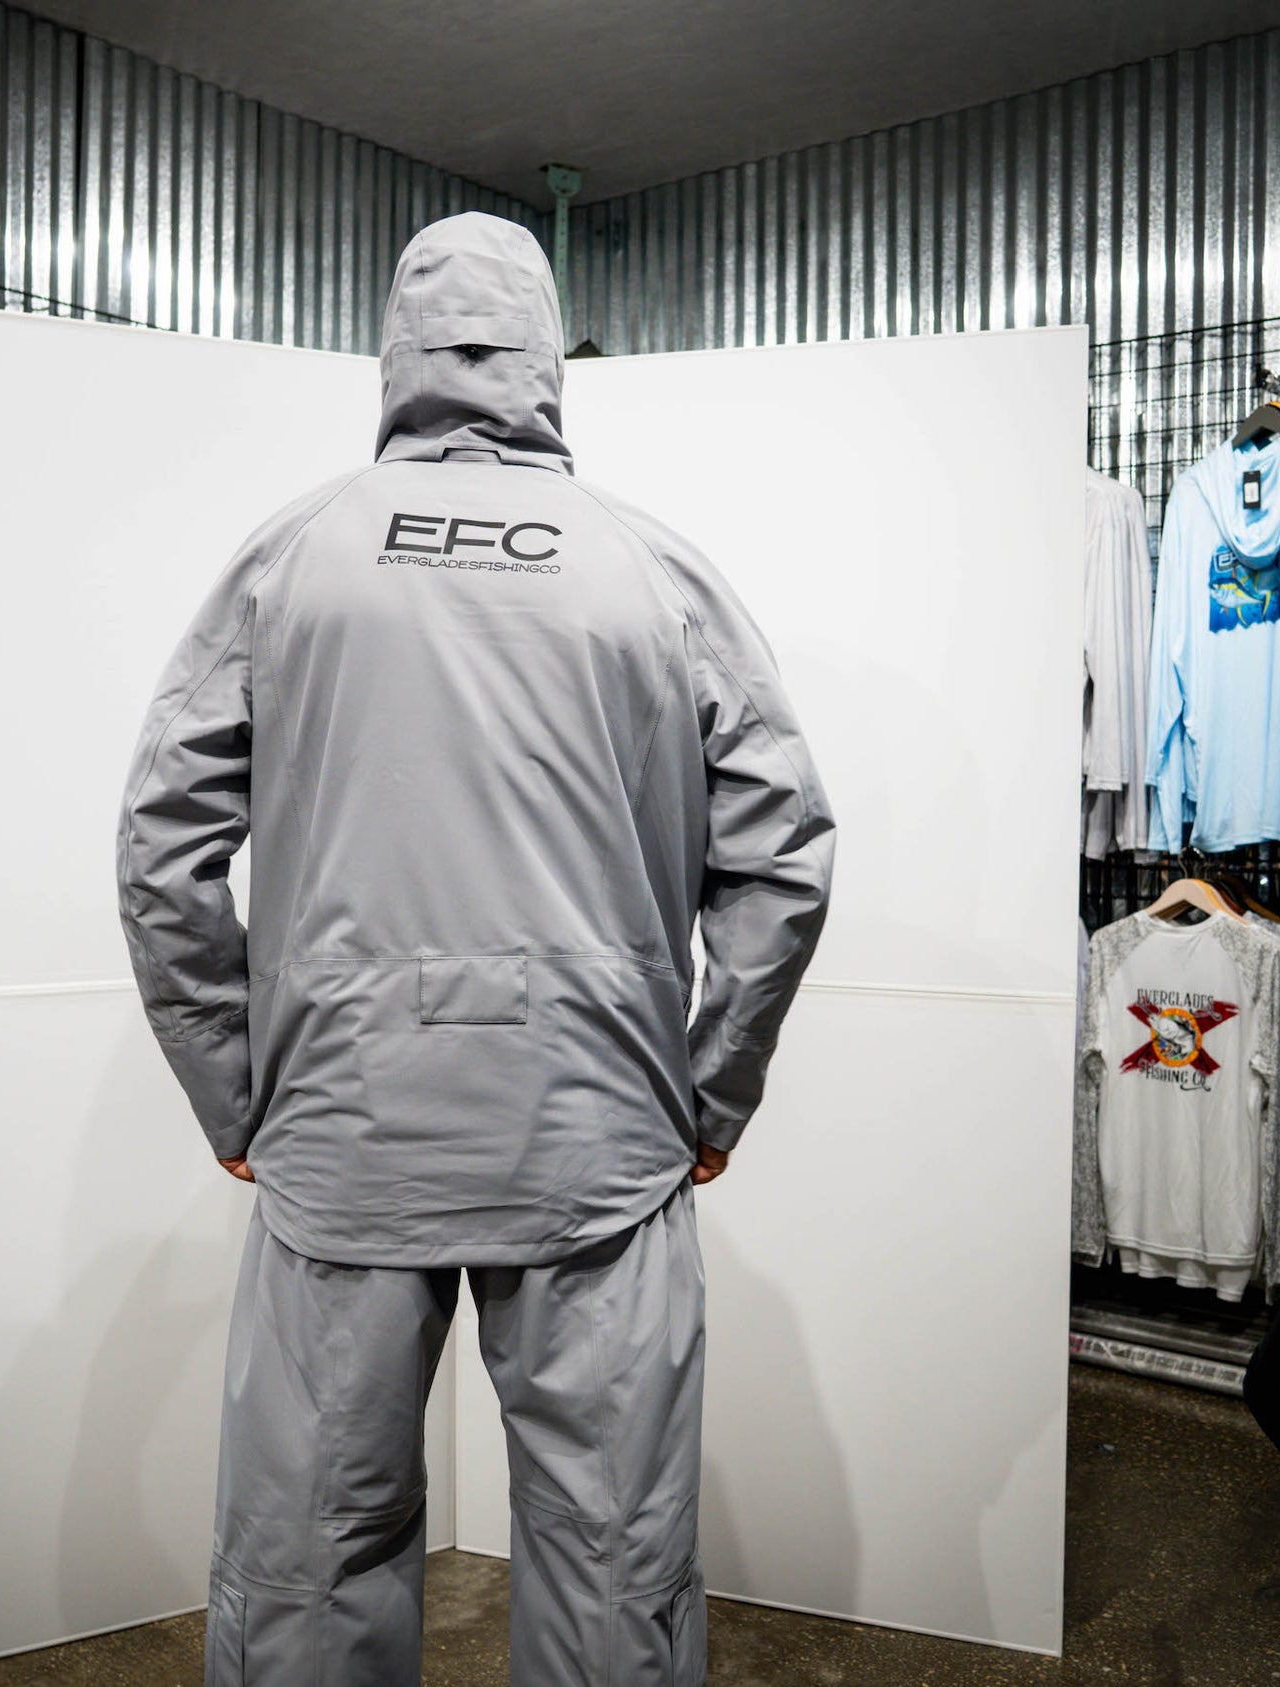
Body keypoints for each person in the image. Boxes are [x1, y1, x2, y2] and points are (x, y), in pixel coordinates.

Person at [117, 210, 834, 1687]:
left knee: (309, 1561)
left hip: (343, 1133)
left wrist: (231, 1089)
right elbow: (782, 856)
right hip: (598, 1136)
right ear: (545, 356)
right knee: (612, 1560)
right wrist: (711, 1093)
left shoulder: (293, 558)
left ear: (396, 351)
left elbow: (159, 849)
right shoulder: (653, 571)